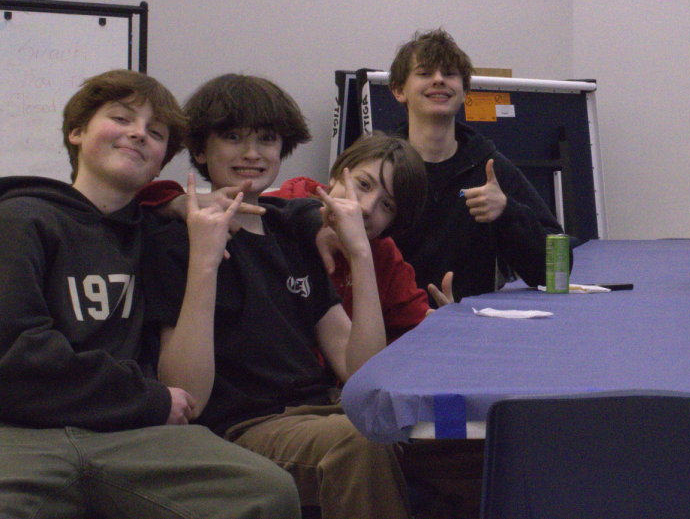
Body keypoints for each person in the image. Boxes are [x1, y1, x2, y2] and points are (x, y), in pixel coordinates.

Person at [0, 69, 299, 518]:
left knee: (267, 492)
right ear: (77, 132)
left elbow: (293, 198)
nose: (138, 134)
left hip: (134, 437)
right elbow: (20, 358)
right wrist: (152, 399)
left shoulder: (159, 233)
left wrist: (318, 219)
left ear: (162, 161)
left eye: (156, 133)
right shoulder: (23, 219)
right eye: (121, 119)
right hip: (23, 432)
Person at [142, 74, 410, 519]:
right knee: (360, 444)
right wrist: (205, 262)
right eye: (233, 137)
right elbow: (189, 395)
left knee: (445, 441)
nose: (252, 153)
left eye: (266, 139)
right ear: (202, 150)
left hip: (319, 412)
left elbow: (358, 370)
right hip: (244, 428)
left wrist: (361, 256)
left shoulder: (292, 229)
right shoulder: (175, 237)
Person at [386, 28, 564, 301]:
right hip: (392, 333)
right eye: (424, 73)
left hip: (471, 329)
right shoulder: (379, 167)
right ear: (399, 90)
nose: (438, 81)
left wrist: (506, 211)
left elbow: (556, 268)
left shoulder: (490, 167)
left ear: (465, 90)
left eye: (449, 74)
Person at [266, 132, 432, 341]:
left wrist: (447, 326)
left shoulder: (382, 253)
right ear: (335, 175)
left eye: (387, 205)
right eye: (363, 184)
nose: (365, 207)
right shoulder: (269, 218)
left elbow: (414, 324)